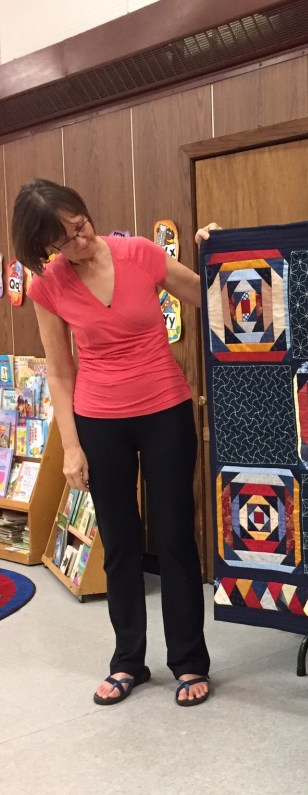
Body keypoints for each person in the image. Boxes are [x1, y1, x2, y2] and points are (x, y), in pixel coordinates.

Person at [13, 179, 218, 708]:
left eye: (80, 225)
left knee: (174, 537)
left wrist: (217, 249)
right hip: (99, 421)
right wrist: (71, 447)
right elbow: (60, 371)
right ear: (44, 246)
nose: (80, 240)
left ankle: (189, 661)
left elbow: (211, 296)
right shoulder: (48, 286)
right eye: (64, 239)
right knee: (120, 544)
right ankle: (128, 660)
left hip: (166, 410)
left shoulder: (139, 253)